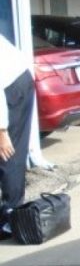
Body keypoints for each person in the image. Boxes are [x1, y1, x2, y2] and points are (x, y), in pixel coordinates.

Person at [0, 33, 35, 239]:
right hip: (14, 79)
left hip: (12, 87)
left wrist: (2, 132)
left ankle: (10, 218)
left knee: (8, 152)